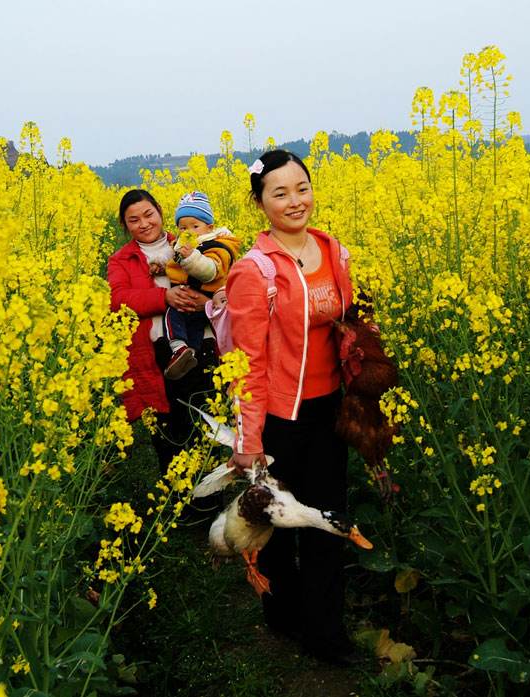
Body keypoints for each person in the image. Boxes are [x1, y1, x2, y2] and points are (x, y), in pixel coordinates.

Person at [225, 150, 358, 665]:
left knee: (327, 523)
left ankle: (325, 633)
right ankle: (282, 613)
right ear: (260, 203)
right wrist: (248, 439)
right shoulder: (254, 271)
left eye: (302, 188)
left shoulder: (333, 250)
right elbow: (247, 362)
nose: (295, 201)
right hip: (281, 419)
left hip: (331, 412)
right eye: (279, 193)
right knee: (279, 527)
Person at [107, 189, 210, 469]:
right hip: (156, 354)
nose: (144, 224)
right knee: (168, 435)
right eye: (134, 220)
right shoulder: (121, 260)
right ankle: (175, 494)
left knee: (203, 427)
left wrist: (207, 303)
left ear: (160, 211)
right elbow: (118, 299)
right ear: (125, 225)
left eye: (148, 214)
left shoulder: (190, 242)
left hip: (197, 346)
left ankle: (207, 493)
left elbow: (217, 278)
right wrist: (164, 298)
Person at [162, 191, 240, 380]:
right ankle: (189, 355)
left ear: (209, 227)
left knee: (172, 315)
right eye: (183, 228)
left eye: (195, 226)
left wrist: (190, 257)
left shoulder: (218, 246)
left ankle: (178, 348)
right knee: (194, 329)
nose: (188, 232)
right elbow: (170, 256)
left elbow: (209, 271)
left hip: (209, 300)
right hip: (194, 301)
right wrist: (158, 263)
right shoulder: (182, 244)